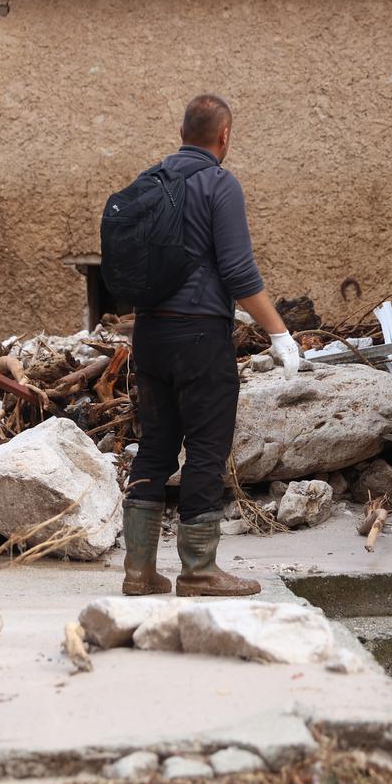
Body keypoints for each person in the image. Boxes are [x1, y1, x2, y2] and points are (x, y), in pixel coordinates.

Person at [121, 94, 301, 598]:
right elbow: (239, 273)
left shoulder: (147, 183)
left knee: (155, 446)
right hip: (199, 335)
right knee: (205, 447)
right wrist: (280, 334)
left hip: (149, 334)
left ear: (181, 133)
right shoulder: (220, 184)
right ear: (224, 136)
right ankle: (199, 570)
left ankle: (138, 571)